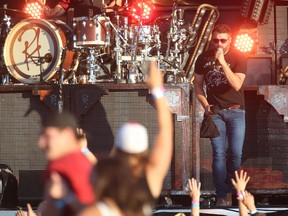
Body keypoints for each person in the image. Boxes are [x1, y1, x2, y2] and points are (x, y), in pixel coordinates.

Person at [193, 24, 247, 206]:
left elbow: (237, 84)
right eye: (216, 40)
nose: (219, 44)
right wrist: (205, 105)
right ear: (211, 39)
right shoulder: (203, 58)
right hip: (215, 112)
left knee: (236, 154)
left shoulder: (239, 56)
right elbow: (197, 84)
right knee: (218, 154)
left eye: (223, 40)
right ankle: (221, 195)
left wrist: (223, 62)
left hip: (236, 111)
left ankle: (235, 192)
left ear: (229, 40)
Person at [109, 61, 173, 212]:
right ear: (144, 150)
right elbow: (166, 130)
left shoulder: (107, 177)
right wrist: (157, 89)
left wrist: (83, 149)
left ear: (117, 149)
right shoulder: (152, 176)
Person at [38, 112, 95, 216]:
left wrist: (66, 197)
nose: (41, 143)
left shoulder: (62, 167)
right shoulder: (82, 162)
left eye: (47, 136)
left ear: (68, 134)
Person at [43, 0, 123, 18]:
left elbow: (117, 5)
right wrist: (49, 13)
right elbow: (62, 7)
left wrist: (108, 9)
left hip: (103, 23)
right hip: (78, 29)